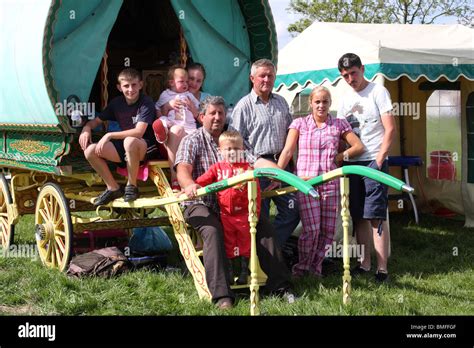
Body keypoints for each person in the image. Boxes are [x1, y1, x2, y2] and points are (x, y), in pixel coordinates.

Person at [175, 96, 293, 309]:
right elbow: (183, 169)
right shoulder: (192, 140)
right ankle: (222, 296)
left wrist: (282, 174)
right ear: (202, 117)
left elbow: (256, 161)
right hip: (201, 202)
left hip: (236, 207)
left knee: (264, 227)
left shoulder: (234, 139)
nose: (218, 117)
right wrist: (190, 185)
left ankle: (281, 287)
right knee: (212, 230)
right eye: (213, 113)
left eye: (221, 113)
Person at [278, 87, 364, 277]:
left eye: (325, 102)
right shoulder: (299, 124)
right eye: (317, 102)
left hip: (331, 183)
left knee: (327, 231)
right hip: (307, 184)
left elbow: (358, 146)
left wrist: (340, 156)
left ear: (329, 103)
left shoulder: (339, 124)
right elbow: (287, 151)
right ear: (311, 103)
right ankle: (301, 269)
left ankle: (315, 269)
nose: (321, 105)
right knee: (312, 230)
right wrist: (277, 174)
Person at [337, 53, 396, 282]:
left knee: (376, 216)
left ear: (362, 69)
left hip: (374, 161)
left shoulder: (378, 91)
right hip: (353, 163)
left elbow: (390, 129)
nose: (350, 79)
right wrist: (340, 156)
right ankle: (364, 264)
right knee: (359, 215)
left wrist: (380, 159)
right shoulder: (343, 99)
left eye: (353, 73)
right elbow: (341, 135)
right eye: (345, 75)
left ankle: (382, 269)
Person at [229, 59, 300, 248]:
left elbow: (291, 134)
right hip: (257, 169)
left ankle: (269, 252)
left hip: (283, 165)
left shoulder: (282, 102)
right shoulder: (243, 106)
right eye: (262, 75)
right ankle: (260, 260)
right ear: (252, 78)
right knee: (260, 218)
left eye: (270, 75)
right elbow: (236, 141)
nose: (266, 79)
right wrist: (262, 165)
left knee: (294, 211)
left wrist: (280, 168)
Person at [79, 68, 158, 206]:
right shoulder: (116, 103)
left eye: (134, 85)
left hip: (145, 147)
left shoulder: (146, 102)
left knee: (129, 141)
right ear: (119, 87)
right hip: (126, 147)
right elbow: (96, 121)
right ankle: (113, 187)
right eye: (126, 86)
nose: (130, 89)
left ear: (140, 85)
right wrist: (86, 128)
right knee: (90, 151)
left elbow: (139, 132)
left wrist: (109, 135)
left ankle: (132, 186)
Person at [195, 130, 261, 285]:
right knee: (229, 242)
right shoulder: (217, 168)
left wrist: (256, 212)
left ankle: (245, 271)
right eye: (228, 149)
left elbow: (256, 192)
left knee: (246, 242)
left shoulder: (247, 169)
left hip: (245, 214)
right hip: (226, 214)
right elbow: (202, 181)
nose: (232, 152)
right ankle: (230, 272)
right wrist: (192, 187)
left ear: (242, 150)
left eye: (236, 149)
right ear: (220, 151)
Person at [152, 66, 200, 190]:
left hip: (188, 128)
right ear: (171, 82)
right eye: (181, 81)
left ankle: (184, 179)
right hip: (173, 126)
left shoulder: (189, 95)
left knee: (192, 136)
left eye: (186, 81)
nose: (186, 84)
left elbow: (199, 111)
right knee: (165, 122)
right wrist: (168, 105)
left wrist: (191, 106)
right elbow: (158, 109)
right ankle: (162, 132)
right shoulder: (166, 95)